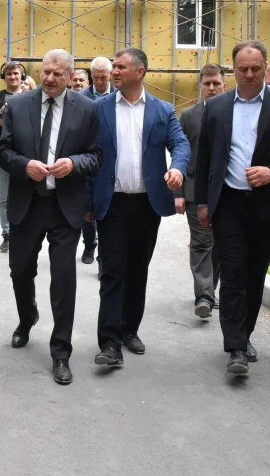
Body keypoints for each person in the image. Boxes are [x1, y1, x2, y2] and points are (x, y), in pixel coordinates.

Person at [196, 40, 270, 375]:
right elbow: (204, 157)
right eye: (242, 69)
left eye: (255, 69)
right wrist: (203, 202)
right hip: (228, 202)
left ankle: (244, 336)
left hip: (266, 203)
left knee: (254, 273)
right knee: (233, 273)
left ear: (265, 68)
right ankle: (235, 347)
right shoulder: (216, 107)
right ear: (233, 69)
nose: (249, 74)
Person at [0, 49, 102, 386]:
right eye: (46, 72)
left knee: (64, 278)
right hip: (27, 203)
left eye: (58, 73)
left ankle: (61, 351)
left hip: (64, 205)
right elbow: (3, 151)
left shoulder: (87, 109)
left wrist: (74, 163)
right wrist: (24, 165)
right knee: (20, 270)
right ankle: (27, 318)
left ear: (70, 76)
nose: (50, 78)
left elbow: (97, 155)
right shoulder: (18, 105)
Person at [89, 48, 189, 368]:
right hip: (112, 203)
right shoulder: (99, 108)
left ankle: (129, 329)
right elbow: (86, 151)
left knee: (137, 270)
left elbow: (180, 143)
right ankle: (109, 343)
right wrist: (86, 200)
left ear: (140, 72)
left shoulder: (163, 110)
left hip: (147, 204)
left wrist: (178, 168)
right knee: (113, 271)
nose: (114, 71)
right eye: (113, 66)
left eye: (121, 67)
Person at [178, 64, 226, 319]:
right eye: (207, 84)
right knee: (202, 242)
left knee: (218, 244)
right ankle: (204, 296)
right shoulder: (188, 116)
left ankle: (210, 289)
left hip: (226, 191)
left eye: (216, 83)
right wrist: (178, 193)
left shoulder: (233, 113)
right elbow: (180, 154)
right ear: (200, 86)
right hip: (195, 190)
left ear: (224, 85)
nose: (212, 88)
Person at [0, 61, 27, 254]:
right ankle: (8, 234)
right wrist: (4, 116)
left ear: (22, 76)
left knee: (26, 195)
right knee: (4, 197)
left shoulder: (30, 97)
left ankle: (23, 232)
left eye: (16, 73)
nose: (13, 77)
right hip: (3, 154)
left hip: (26, 155)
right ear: (4, 77)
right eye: (9, 74)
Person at [80, 56, 115, 270]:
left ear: (110, 75)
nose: (100, 82)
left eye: (104, 78)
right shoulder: (81, 97)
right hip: (88, 158)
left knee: (108, 212)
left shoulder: (119, 95)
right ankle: (89, 245)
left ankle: (104, 259)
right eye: (96, 78)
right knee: (88, 208)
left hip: (111, 158)